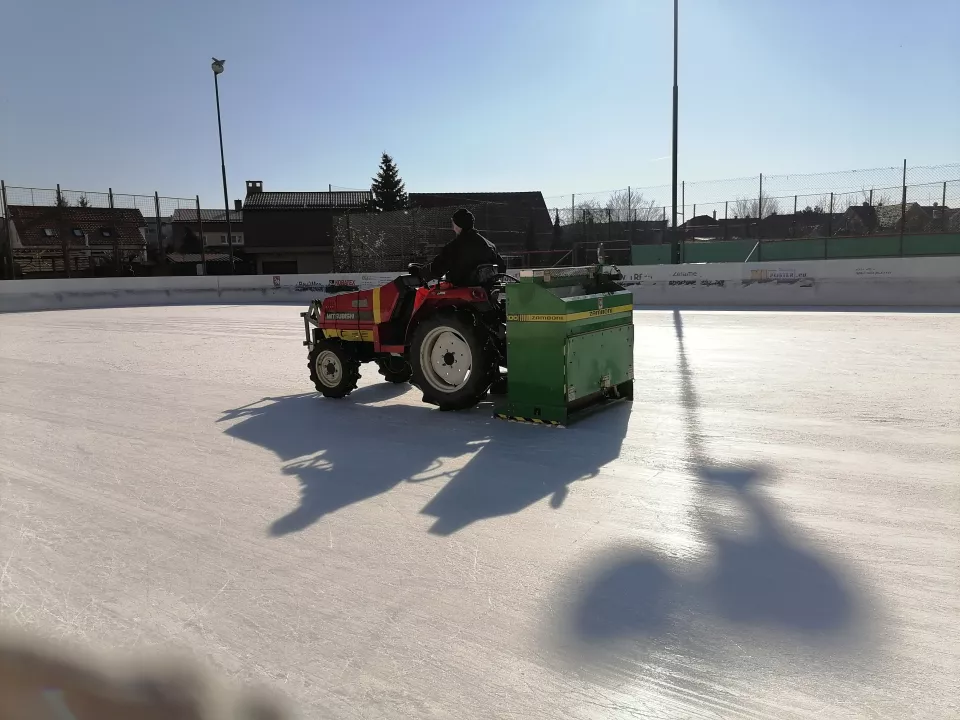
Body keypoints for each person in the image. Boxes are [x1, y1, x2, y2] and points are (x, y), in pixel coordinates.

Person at [412, 208, 505, 287]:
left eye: (453, 224)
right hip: (486, 291)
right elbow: (501, 268)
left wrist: (421, 273)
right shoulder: (489, 245)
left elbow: (438, 268)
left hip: (461, 292)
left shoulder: (454, 247)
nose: (453, 228)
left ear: (459, 225)